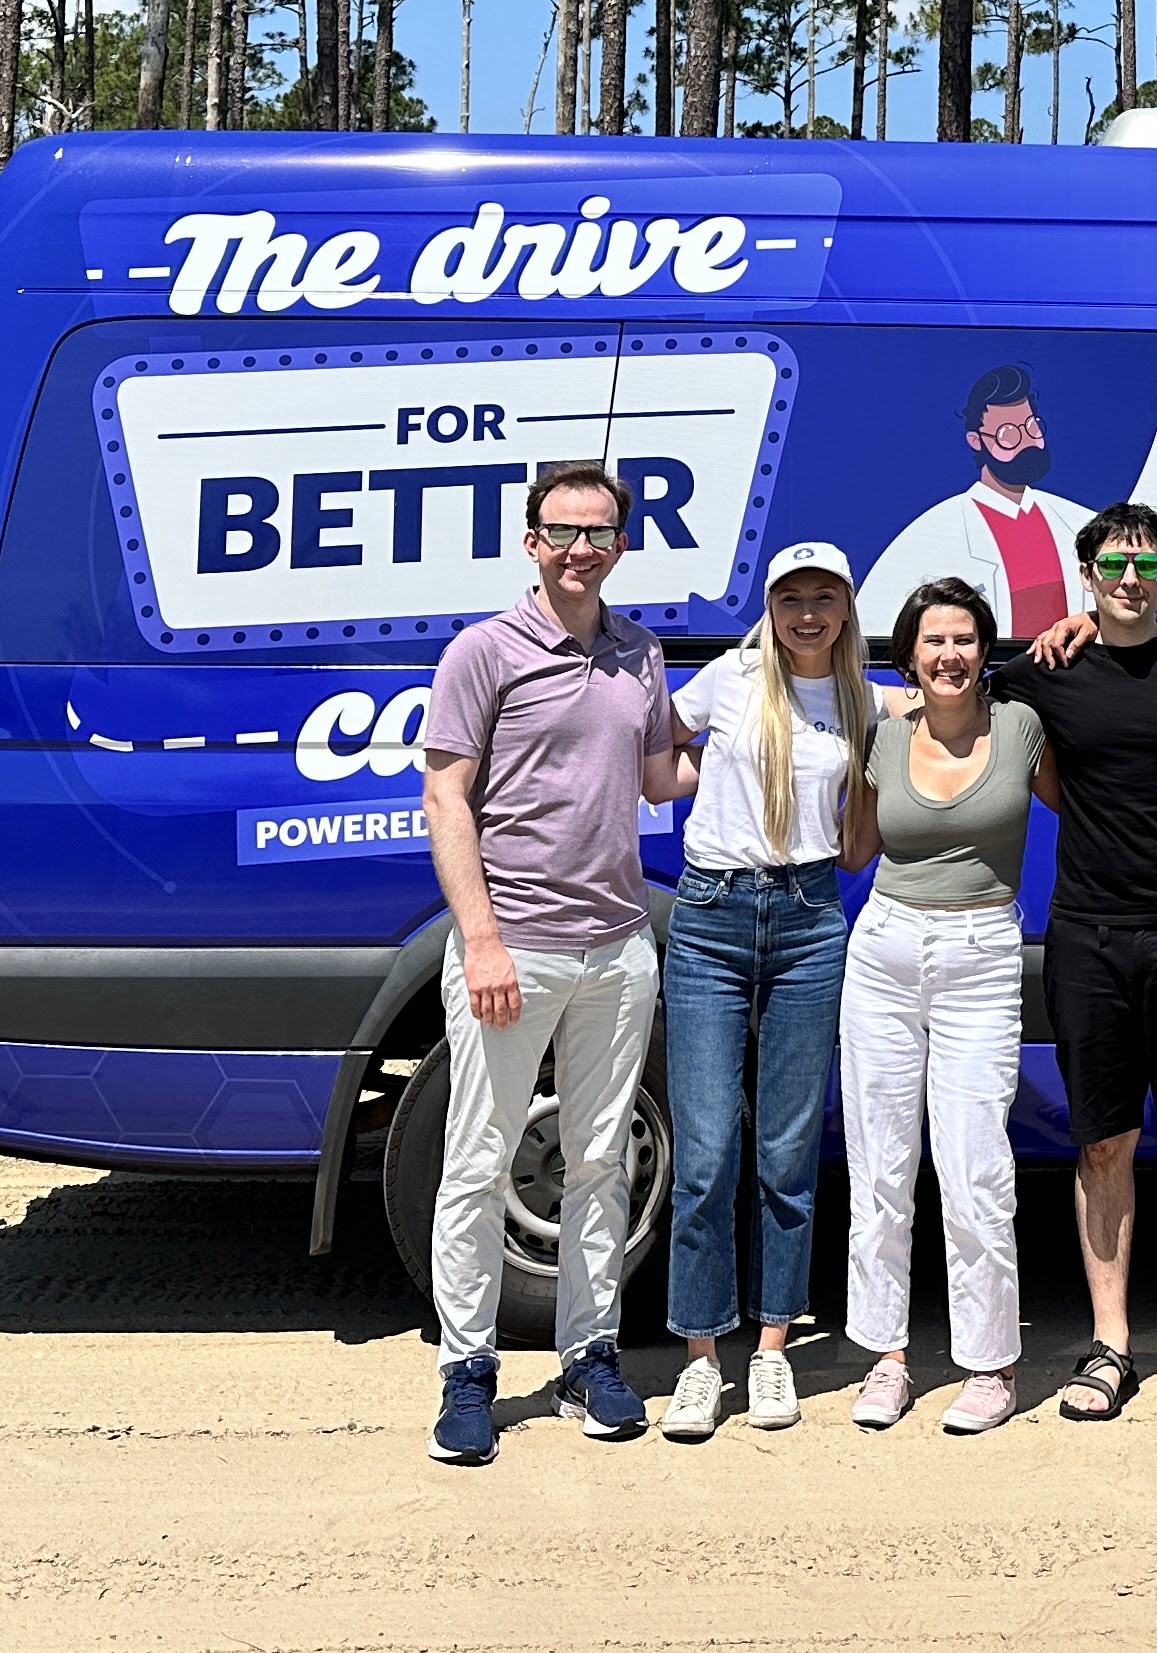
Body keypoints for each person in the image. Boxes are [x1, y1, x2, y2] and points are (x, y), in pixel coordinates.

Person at [418, 461, 689, 1464]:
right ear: (531, 540)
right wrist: (482, 939)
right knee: (481, 1161)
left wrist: (773, 724)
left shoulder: (640, 653)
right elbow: (448, 800)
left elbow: (663, 773)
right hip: (514, 947)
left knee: (602, 1163)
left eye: (601, 533)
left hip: (618, 947)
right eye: (565, 532)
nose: (583, 549)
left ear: (622, 544)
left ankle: (589, 1355)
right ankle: (467, 1371)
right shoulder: (483, 653)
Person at [994, 501, 1157, 1427]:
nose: (1130, 578)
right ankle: (1108, 1344)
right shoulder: (1048, 668)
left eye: (1145, 563)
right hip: (1088, 935)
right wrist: (1051, 632)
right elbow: (940, 687)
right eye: (1113, 563)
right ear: (1088, 570)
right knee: (1101, 1141)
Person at [655, 541, 871, 1441]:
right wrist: (710, 786)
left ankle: (773, 1349)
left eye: (825, 598)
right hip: (708, 920)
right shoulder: (729, 678)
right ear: (771, 606)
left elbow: (860, 841)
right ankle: (702, 1361)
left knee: (786, 1154)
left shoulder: (864, 701)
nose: (808, 613)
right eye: (793, 597)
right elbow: (655, 754)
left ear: (846, 609)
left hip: (810, 921)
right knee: (705, 1155)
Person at [837, 577, 1047, 1435]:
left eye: (964, 640)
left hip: (981, 955)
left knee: (975, 1171)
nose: (950, 655)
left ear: (984, 651)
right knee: (880, 1168)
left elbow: (1093, 793)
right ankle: (886, 1358)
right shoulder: (882, 736)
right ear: (909, 656)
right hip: (884, 952)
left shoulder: (1024, 729)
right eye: (933, 641)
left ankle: (989, 1365)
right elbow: (854, 849)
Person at [857, 358, 1157, 649]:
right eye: (1009, 433)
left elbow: (1145, 543)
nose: (1027, 440)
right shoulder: (939, 532)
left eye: (1031, 426)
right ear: (977, 441)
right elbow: (874, 625)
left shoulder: (1066, 521)